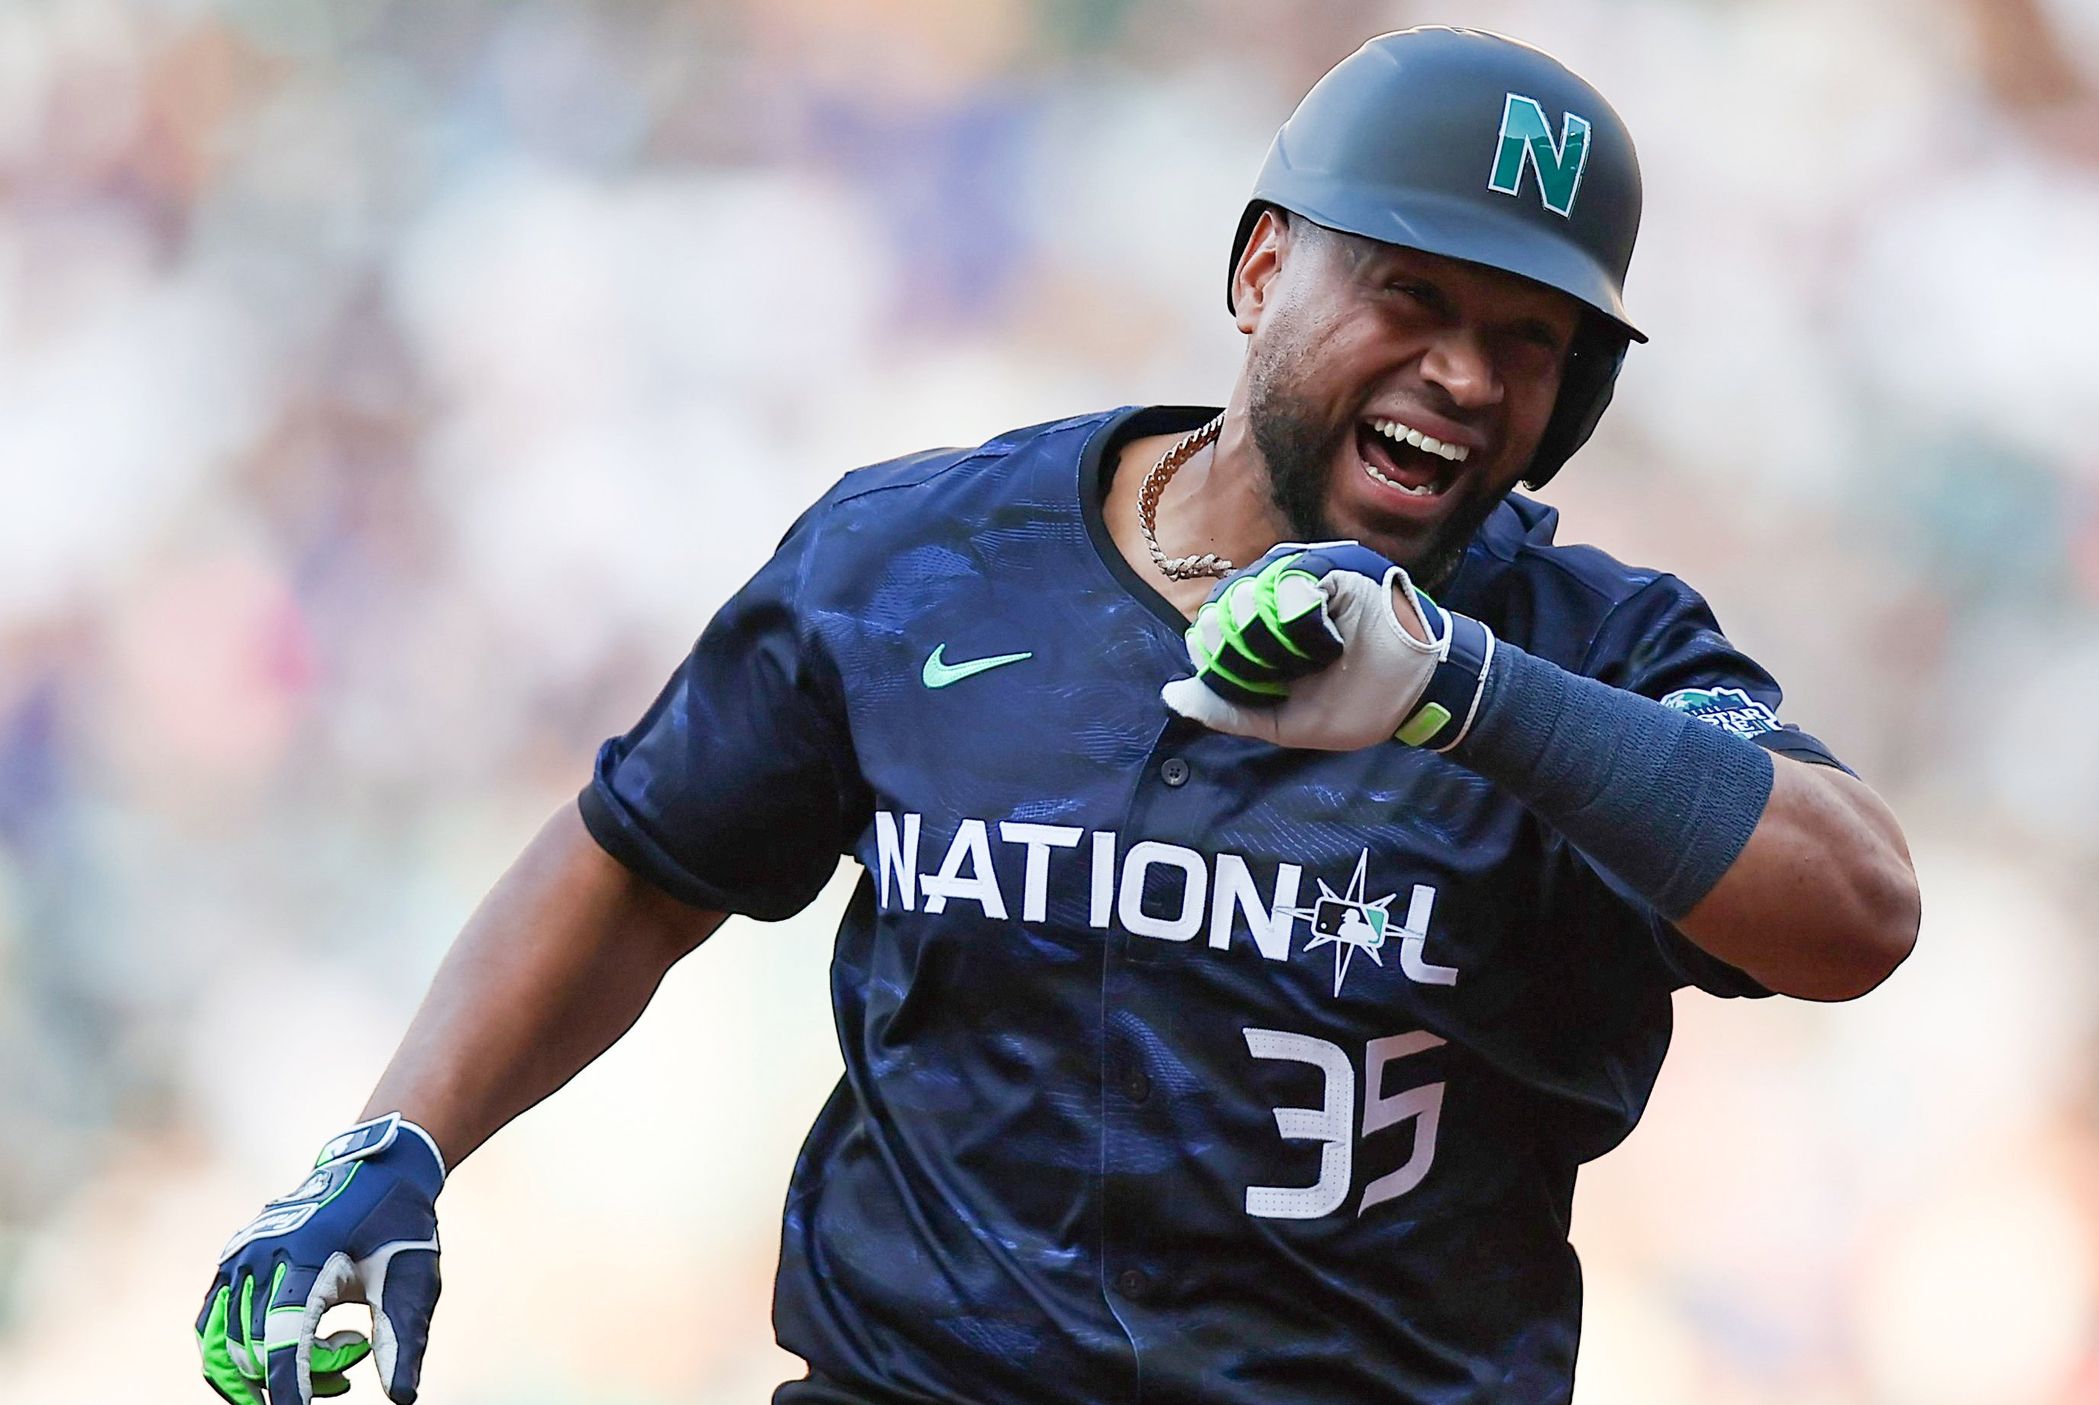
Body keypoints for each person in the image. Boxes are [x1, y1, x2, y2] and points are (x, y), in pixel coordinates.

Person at [195, 26, 1918, 1405]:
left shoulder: (1582, 648)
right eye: (1413, 297)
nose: (1467, 375)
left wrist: (1469, 694)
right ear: (1263, 271)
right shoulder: (925, 558)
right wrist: (398, 1143)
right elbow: (645, 859)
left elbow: (1859, 909)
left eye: (1528, 342)